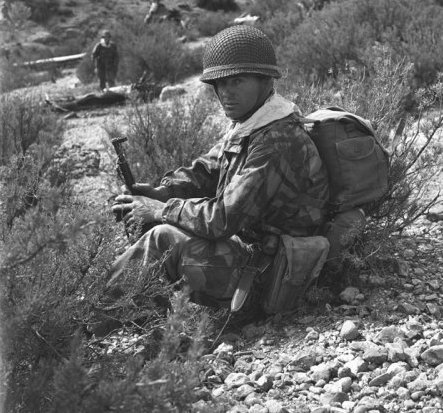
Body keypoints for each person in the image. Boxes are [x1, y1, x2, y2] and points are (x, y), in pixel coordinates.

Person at [107, 25, 330, 322]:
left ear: (266, 80)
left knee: (162, 237)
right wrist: (162, 191)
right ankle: (137, 319)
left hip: (272, 278)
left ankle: (84, 326)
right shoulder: (251, 124)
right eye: (219, 84)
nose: (226, 93)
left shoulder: (277, 139)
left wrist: (162, 210)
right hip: (253, 258)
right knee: (156, 221)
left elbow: (222, 219)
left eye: (237, 81)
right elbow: (208, 169)